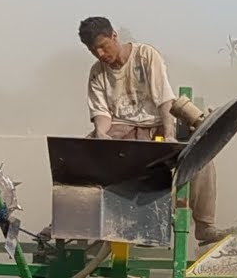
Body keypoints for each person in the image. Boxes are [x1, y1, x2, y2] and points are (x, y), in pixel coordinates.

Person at [78, 16, 229, 244]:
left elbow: (164, 101)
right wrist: (100, 134)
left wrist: (168, 136)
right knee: (81, 153)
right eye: (93, 50)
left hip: (155, 125)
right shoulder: (97, 72)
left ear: (114, 37)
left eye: (103, 46)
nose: (100, 54)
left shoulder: (145, 56)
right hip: (123, 129)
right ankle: (73, 220)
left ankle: (205, 226)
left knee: (203, 159)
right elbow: (102, 114)